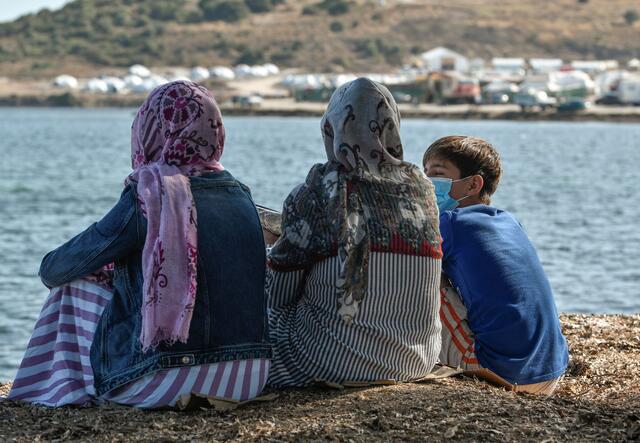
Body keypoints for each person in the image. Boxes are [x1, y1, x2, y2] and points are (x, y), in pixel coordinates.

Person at [6, 81, 271, 408]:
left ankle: (48, 394)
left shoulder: (149, 196)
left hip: (165, 383)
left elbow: (54, 270)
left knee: (70, 288)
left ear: (153, 130)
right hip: (249, 378)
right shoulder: (242, 194)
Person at [266, 78, 443, 387]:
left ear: (331, 128)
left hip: (330, 360)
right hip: (416, 360)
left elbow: (277, 296)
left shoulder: (317, 190)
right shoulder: (421, 187)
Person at [423, 135, 569, 395]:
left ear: (473, 184)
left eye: (437, 173)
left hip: (503, 374)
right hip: (552, 371)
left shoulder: (451, 222)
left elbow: (400, 255)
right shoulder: (509, 221)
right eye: (425, 172)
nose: (426, 181)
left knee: (420, 270)